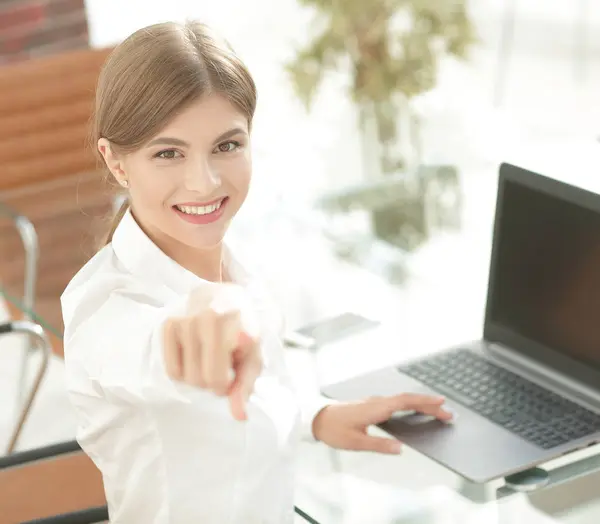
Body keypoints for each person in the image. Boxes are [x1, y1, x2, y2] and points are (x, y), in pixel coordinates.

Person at [61, 21, 452, 524]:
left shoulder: (238, 263)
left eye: (227, 146)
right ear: (115, 161)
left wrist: (316, 417)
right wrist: (217, 308)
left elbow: (242, 405)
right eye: (168, 153)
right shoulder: (107, 311)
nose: (204, 183)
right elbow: (158, 351)